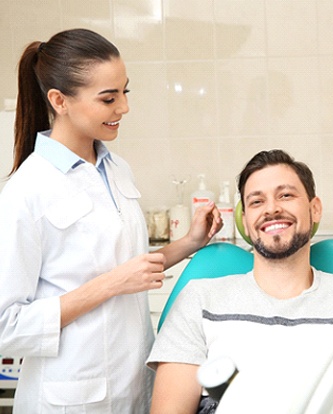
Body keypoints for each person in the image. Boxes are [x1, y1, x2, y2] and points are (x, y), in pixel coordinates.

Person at [0, 28, 221, 413]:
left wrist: (189, 242)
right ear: (59, 100)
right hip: (70, 399)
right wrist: (109, 285)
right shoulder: (26, 192)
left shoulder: (116, 169)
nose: (123, 108)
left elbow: (130, 268)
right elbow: (7, 326)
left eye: (125, 92)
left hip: (134, 386)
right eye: (108, 98)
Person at [147, 149, 333, 414]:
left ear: (314, 209)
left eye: (286, 195)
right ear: (246, 222)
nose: (272, 209)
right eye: (257, 202)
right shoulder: (200, 300)